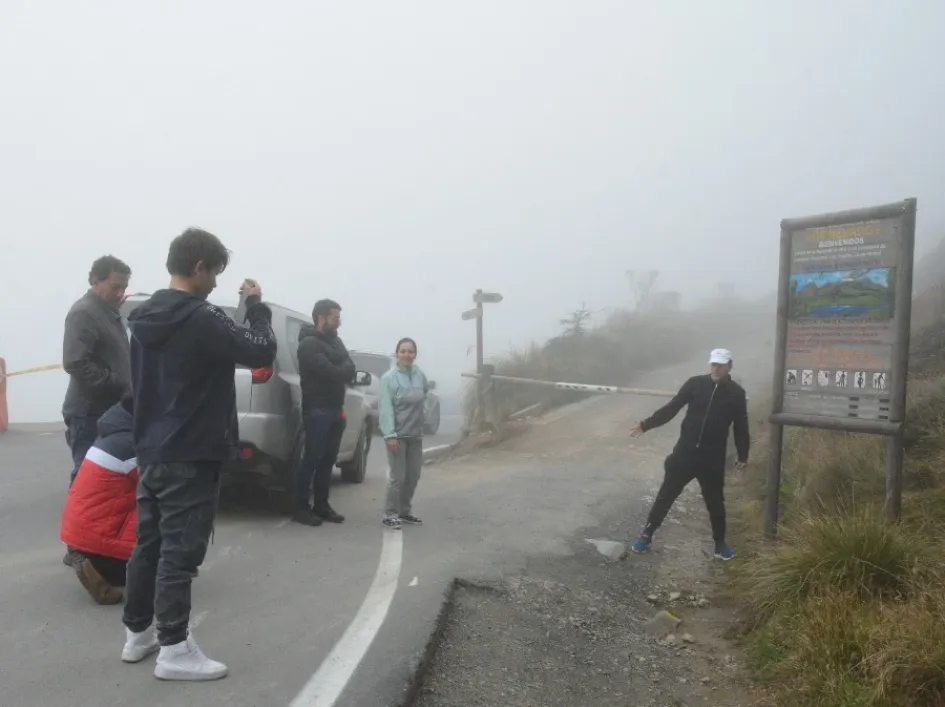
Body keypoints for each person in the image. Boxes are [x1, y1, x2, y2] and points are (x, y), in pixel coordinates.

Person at [120, 228, 276, 681]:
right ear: (199, 267)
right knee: (180, 551)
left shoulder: (143, 319)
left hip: (152, 448)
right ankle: (174, 649)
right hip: (192, 450)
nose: (215, 284)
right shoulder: (202, 316)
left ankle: (138, 634)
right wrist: (256, 306)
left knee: (149, 545)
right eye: (215, 274)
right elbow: (261, 350)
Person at [628, 348, 749, 561]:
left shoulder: (736, 394)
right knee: (666, 495)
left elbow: (741, 426)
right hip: (684, 453)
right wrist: (646, 424)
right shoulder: (695, 384)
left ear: (729, 366)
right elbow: (672, 408)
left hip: (712, 458)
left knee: (715, 502)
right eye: (713, 364)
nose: (716, 368)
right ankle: (646, 535)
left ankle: (720, 544)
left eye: (720, 365)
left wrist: (743, 455)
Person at [60, 395, 138, 605]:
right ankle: (97, 567)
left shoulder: (110, 436)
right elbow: (162, 482)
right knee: (158, 506)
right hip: (96, 538)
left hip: (80, 532)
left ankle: (82, 555)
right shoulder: (131, 445)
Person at [62, 255, 132, 486]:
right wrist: (117, 382)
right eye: (115, 287)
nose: (120, 293)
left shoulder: (108, 311)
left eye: (124, 287)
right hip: (88, 412)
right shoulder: (84, 313)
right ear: (95, 281)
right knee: (86, 478)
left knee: (103, 479)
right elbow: (75, 363)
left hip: (108, 409)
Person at [293, 299, 355, 527]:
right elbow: (330, 372)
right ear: (321, 317)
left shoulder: (336, 342)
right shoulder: (308, 344)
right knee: (312, 458)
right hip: (317, 409)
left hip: (335, 409)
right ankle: (301, 508)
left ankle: (321, 505)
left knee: (328, 459)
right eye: (335, 318)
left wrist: (341, 368)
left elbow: (350, 369)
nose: (339, 322)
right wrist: (341, 368)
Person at [379, 337, 430, 530]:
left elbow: (425, 392)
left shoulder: (419, 374)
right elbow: (385, 408)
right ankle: (390, 514)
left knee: (413, 476)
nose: (407, 355)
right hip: (397, 435)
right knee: (397, 477)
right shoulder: (389, 378)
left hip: (415, 434)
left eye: (410, 351)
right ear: (397, 354)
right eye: (403, 351)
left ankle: (404, 511)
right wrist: (390, 434)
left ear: (415, 354)